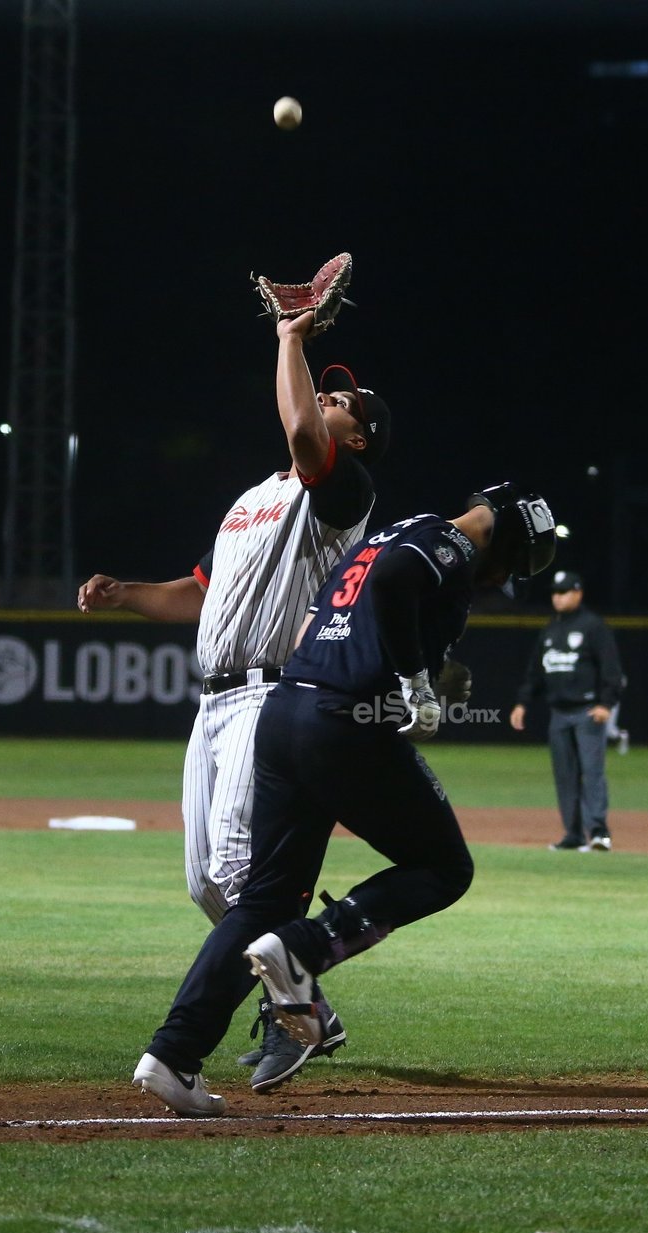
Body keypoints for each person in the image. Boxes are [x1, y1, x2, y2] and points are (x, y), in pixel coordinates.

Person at [131, 481, 557, 1117]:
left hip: (285, 711)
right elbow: (390, 588)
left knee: (263, 901)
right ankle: (304, 951)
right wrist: (413, 682)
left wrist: (417, 671)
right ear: (505, 539)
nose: (497, 583)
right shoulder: (450, 545)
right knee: (445, 867)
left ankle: (173, 1056)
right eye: (508, 572)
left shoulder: (402, 530)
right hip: (340, 723)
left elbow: (321, 619)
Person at [78, 308, 391, 1091]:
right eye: (325, 393)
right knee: (205, 883)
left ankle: (289, 1010)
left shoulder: (343, 490)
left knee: (243, 872)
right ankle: (302, 997)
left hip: (270, 696)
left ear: (358, 438)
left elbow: (301, 439)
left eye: (343, 403)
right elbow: (199, 593)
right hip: (211, 706)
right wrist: (127, 596)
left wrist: (289, 338)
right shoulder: (254, 497)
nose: (328, 400)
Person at [509, 569, 624, 852]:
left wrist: (605, 704)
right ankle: (573, 835)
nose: (558, 598)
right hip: (558, 714)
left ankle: (599, 833)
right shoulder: (551, 629)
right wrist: (523, 702)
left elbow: (611, 670)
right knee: (565, 775)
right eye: (555, 593)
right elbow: (536, 671)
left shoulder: (593, 626)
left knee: (591, 772)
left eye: (564, 592)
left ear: (578, 593)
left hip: (587, 712)